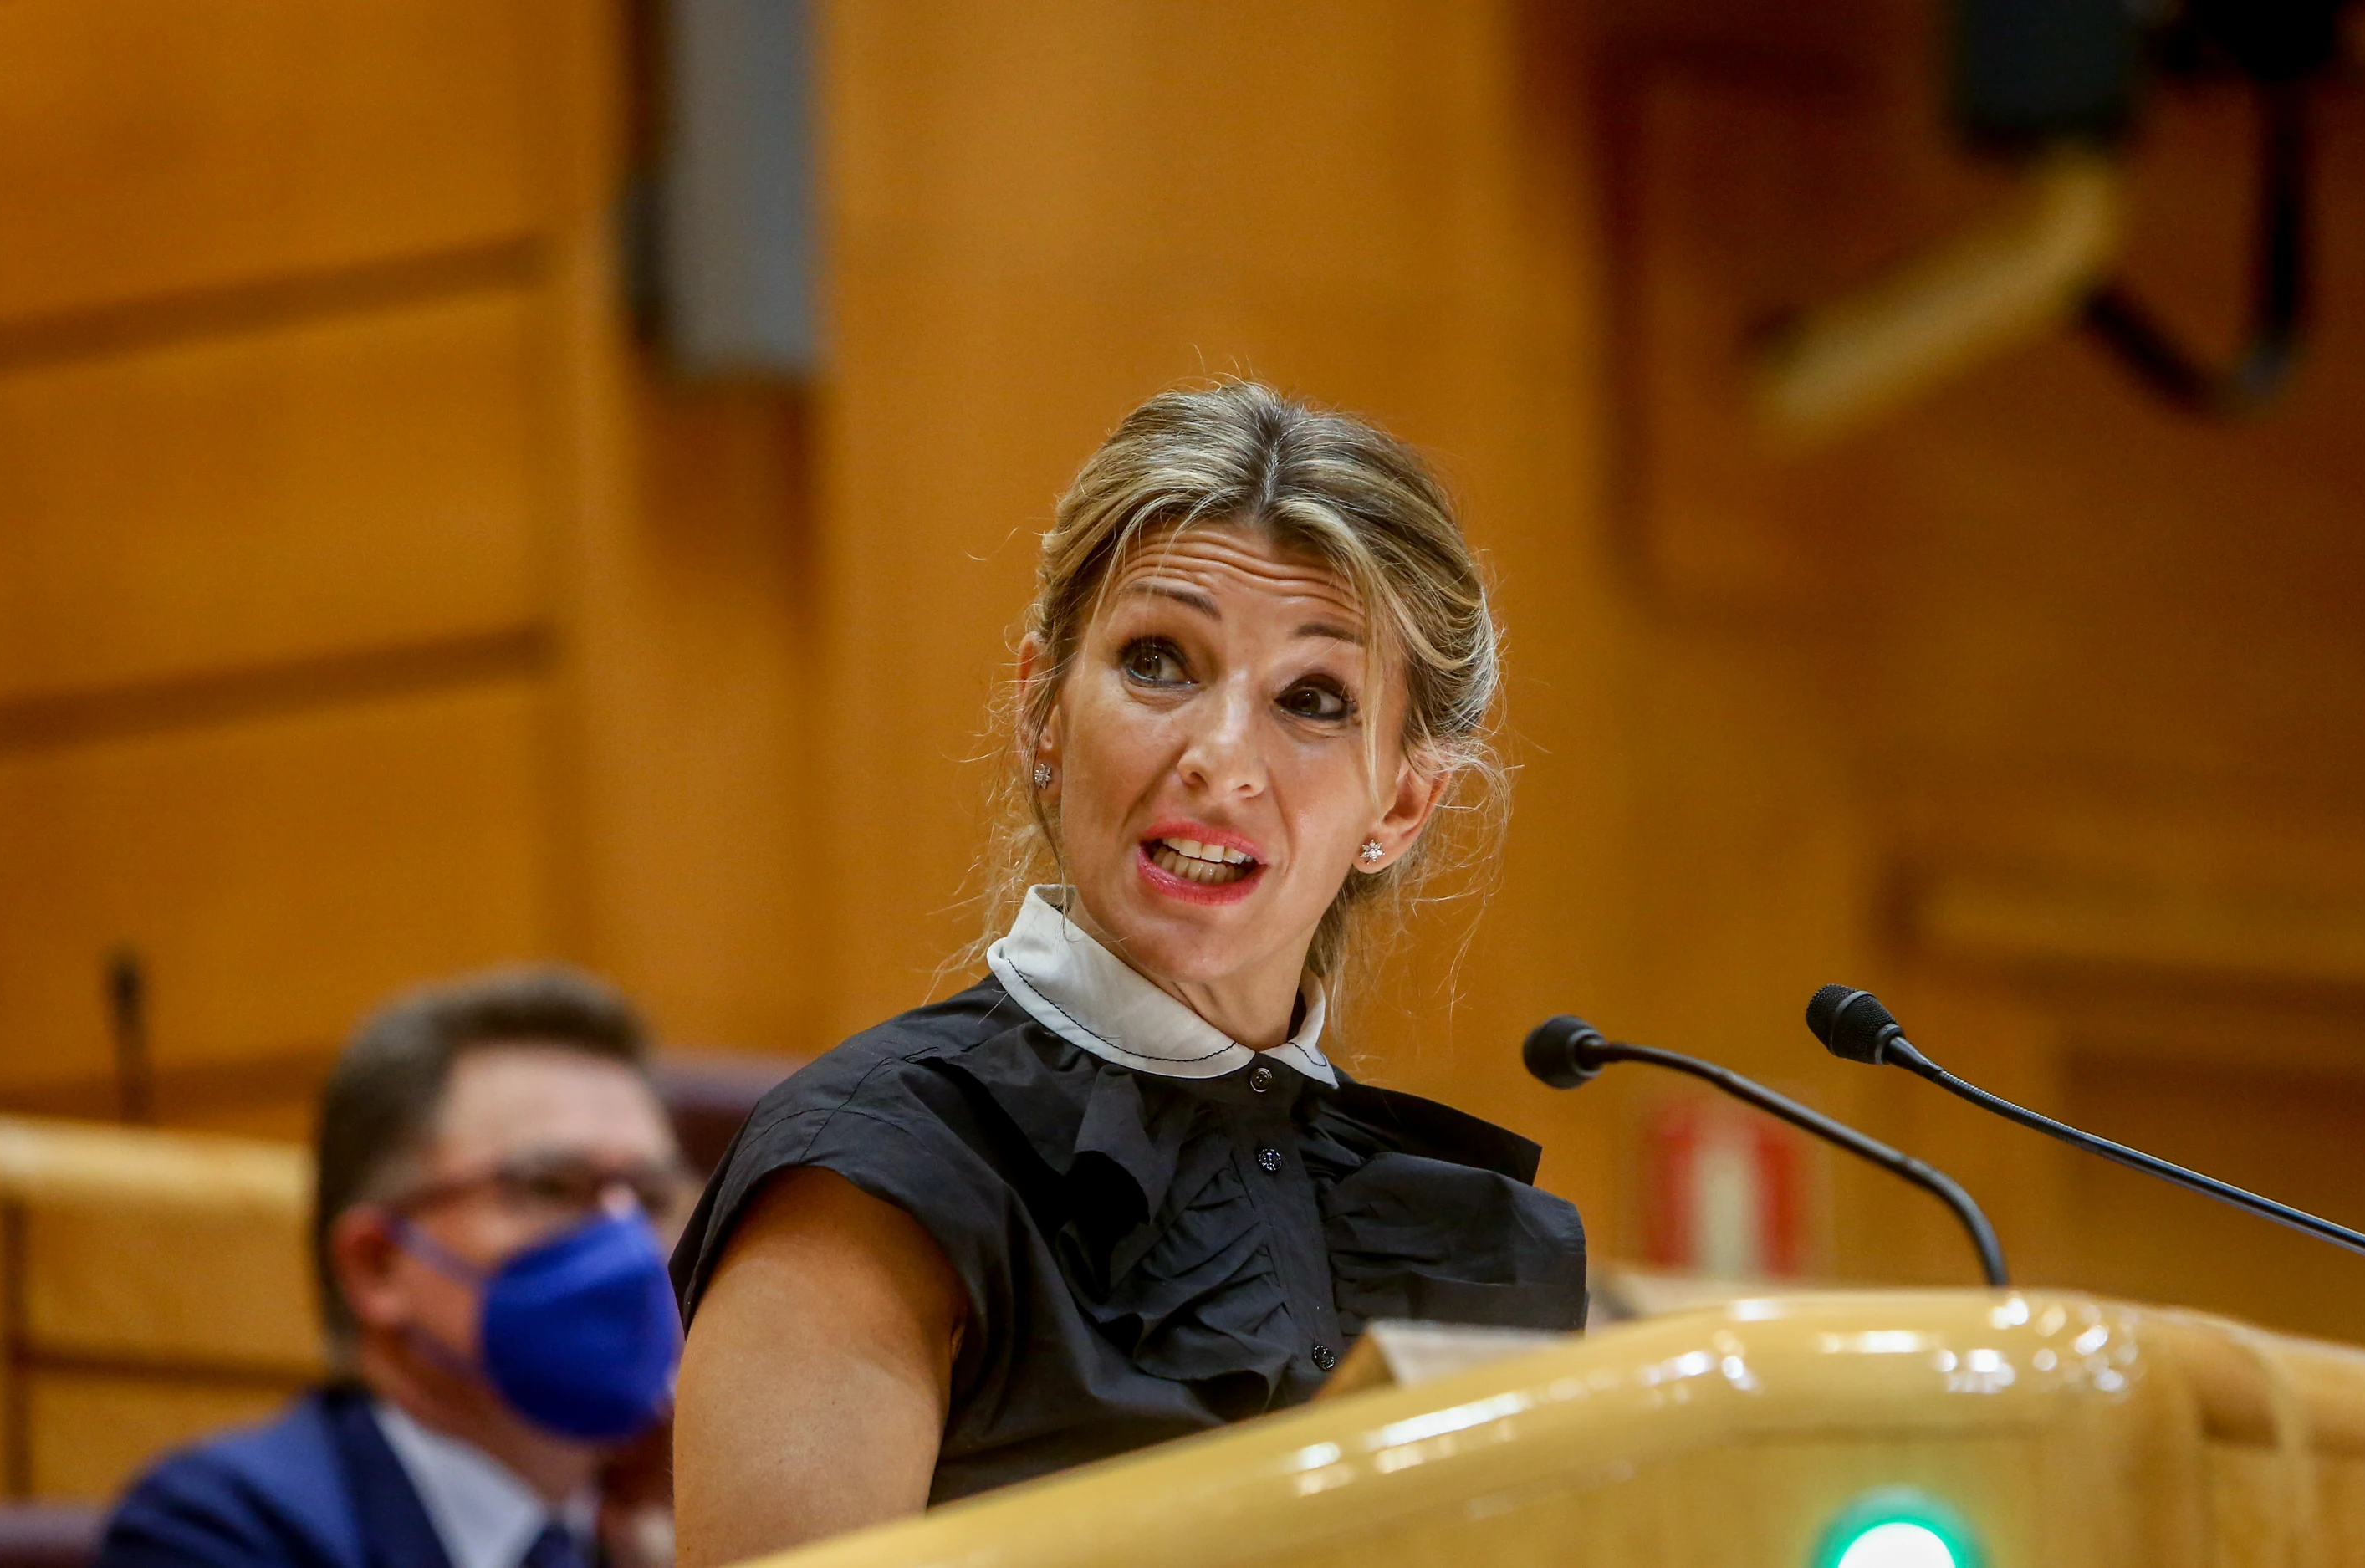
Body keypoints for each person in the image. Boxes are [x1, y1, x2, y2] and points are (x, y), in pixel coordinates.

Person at [668, 381, 1588, 1562]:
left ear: (1403, 802)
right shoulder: (878, 1173)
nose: (1220, 760)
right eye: (1159, 662)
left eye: (1312, 699)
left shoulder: (1476, 1241)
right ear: (1043, 714)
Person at [100, 968, 697, 1568]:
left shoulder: (681, 1531)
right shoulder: (216, 1529)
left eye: (649, 1196)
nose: (627, 1239)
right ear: (377, 1265)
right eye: (548, 1186)